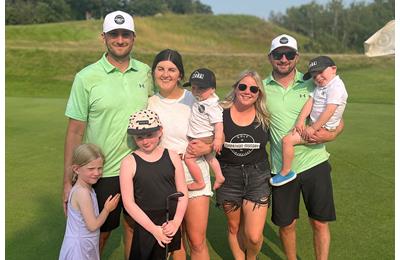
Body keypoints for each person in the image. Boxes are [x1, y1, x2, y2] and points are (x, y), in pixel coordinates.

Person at [63, 10, 153, 258]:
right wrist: (67, 182)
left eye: (126, 34)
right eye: (114, 34)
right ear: (104, 37)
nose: (120, 39)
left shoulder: (146, 73)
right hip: (104, 173)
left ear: (134, 37)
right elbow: (74, 132)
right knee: (99, 234)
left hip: (140, 169)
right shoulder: (86, 77)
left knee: (135, 227)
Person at [263, 34, 344, 260]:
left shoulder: (314, 81)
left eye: (289, 54)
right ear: (270, 57)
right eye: (278, 54)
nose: (284, 59)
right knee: (286, 224)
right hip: (282, 170)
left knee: (319, 222)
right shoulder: (261, 88)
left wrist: (333, 133)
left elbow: (338, 115)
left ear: (297, 57)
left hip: (315, 163)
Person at [148, 49, 213, 259]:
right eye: (160, 69)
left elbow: (213, 131)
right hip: (165, 176)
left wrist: (208, 146)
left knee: (196, 240)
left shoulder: (193, 99)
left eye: (172, 70)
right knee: (175, 242)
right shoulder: (149, 103)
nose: (165, 74)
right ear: (154, 72)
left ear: (180, 75)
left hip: (194, 173)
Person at [215, 70, 271, 260]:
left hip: (258, 175)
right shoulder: (219, 113)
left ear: (258, 94)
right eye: (243, 86)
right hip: (228, 176)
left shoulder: (265, 118)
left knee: (254, 237)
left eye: (253, 89)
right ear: (235, 88)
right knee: (234, 227)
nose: (247, 91)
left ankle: (251, 257)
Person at [120, 109, 188, 259]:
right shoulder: (128, 163)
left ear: (160, 132)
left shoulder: (172, 156)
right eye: (140, 137)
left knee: (166, 254)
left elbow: (183, 193)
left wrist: (176, 222)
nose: (145, 141)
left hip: (169, 221)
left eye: (150, 135)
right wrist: (154, 230)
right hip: (145, 223)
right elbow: (129, 203)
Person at [270, 55, 348, 186]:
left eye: (321, 72)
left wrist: (312, 128)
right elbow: (310, 102)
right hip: (315, 127)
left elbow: (329, 110)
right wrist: (300, 121)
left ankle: (285, 172)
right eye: (314, 75)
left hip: (321, 129)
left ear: (333, 69)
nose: (318, 77)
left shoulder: (336, 87)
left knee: (287, 140)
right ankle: (286, 171)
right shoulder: (322, 86)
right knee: (288, 140)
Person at [59, 144, 120, 260]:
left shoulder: (86, 188)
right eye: (91, 169)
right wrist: (107, 209)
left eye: (100, 168)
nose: (97, 173)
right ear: (76, 169)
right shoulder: (83, 193)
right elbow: (93, 226)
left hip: (85, 244)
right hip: (79, 249)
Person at [182, 68, 225, 191]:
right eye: (194, 88)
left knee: (189, 158)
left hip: (203, 137)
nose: (196, 92)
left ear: (212, 89)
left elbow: (218, 124)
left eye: (201, 89)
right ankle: (219, 176)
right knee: (210, 158)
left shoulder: (212, 105)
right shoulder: (201, 100)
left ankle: (199, 182)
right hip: (202, 136)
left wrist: (217, 140)